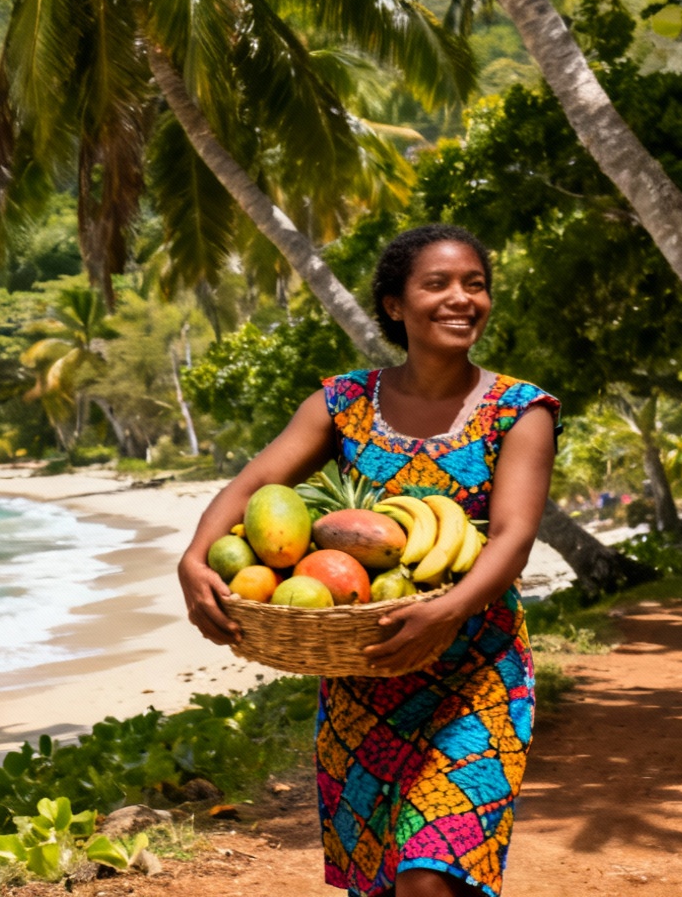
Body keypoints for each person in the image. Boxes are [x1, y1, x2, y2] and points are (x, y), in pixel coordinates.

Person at [176, 225, 558, 897]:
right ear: (394, 305)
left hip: (477, 676)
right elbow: (249, 489)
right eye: (436, 284)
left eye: (475, 284)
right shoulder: (343, 403)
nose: (461, 298)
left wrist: (445, 611)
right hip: (364, 682)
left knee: (429, 876)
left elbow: (512, 539)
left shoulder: (519, 412)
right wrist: (193, 559)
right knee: (384, 882)